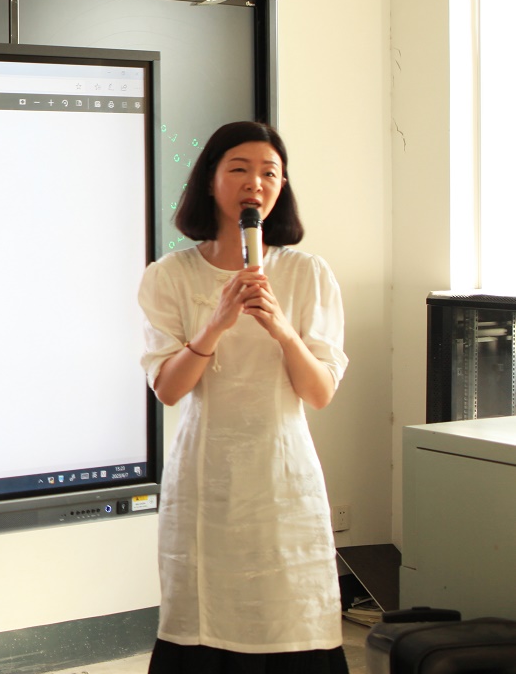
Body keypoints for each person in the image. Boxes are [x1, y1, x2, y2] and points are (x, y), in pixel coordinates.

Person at [139, 121, 349, 674]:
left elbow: (319, 392)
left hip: (283, 479)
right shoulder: (170, 276)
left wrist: (281, 328)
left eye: (269, 173)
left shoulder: (307, 273)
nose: (255, 182)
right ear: (210, 180)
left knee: (289, 617)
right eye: (239, 169)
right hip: (205, 480)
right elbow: (169, 389)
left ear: (281, 188)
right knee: (203, 620)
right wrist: (215, 325)